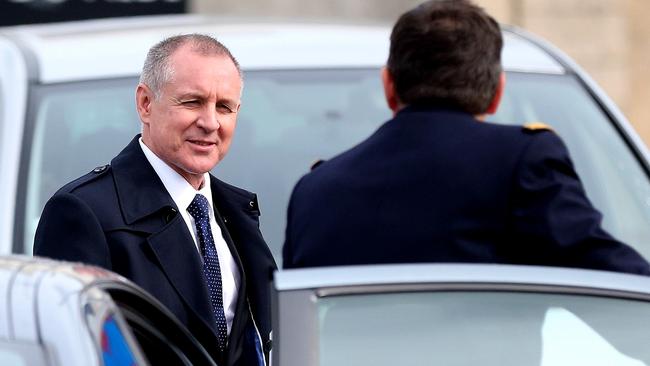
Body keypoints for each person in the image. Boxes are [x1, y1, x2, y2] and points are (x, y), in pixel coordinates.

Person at [282, 0, 650, 276]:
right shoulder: (523, 162)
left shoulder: (315, 191)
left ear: (388, 86)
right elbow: (611, 278)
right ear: (497, 93)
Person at [34, 34, 276, 366]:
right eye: (192, 102)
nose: (210, 123)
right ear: (146, 104)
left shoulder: (238, 216)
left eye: (224, 107)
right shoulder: (82, 214)